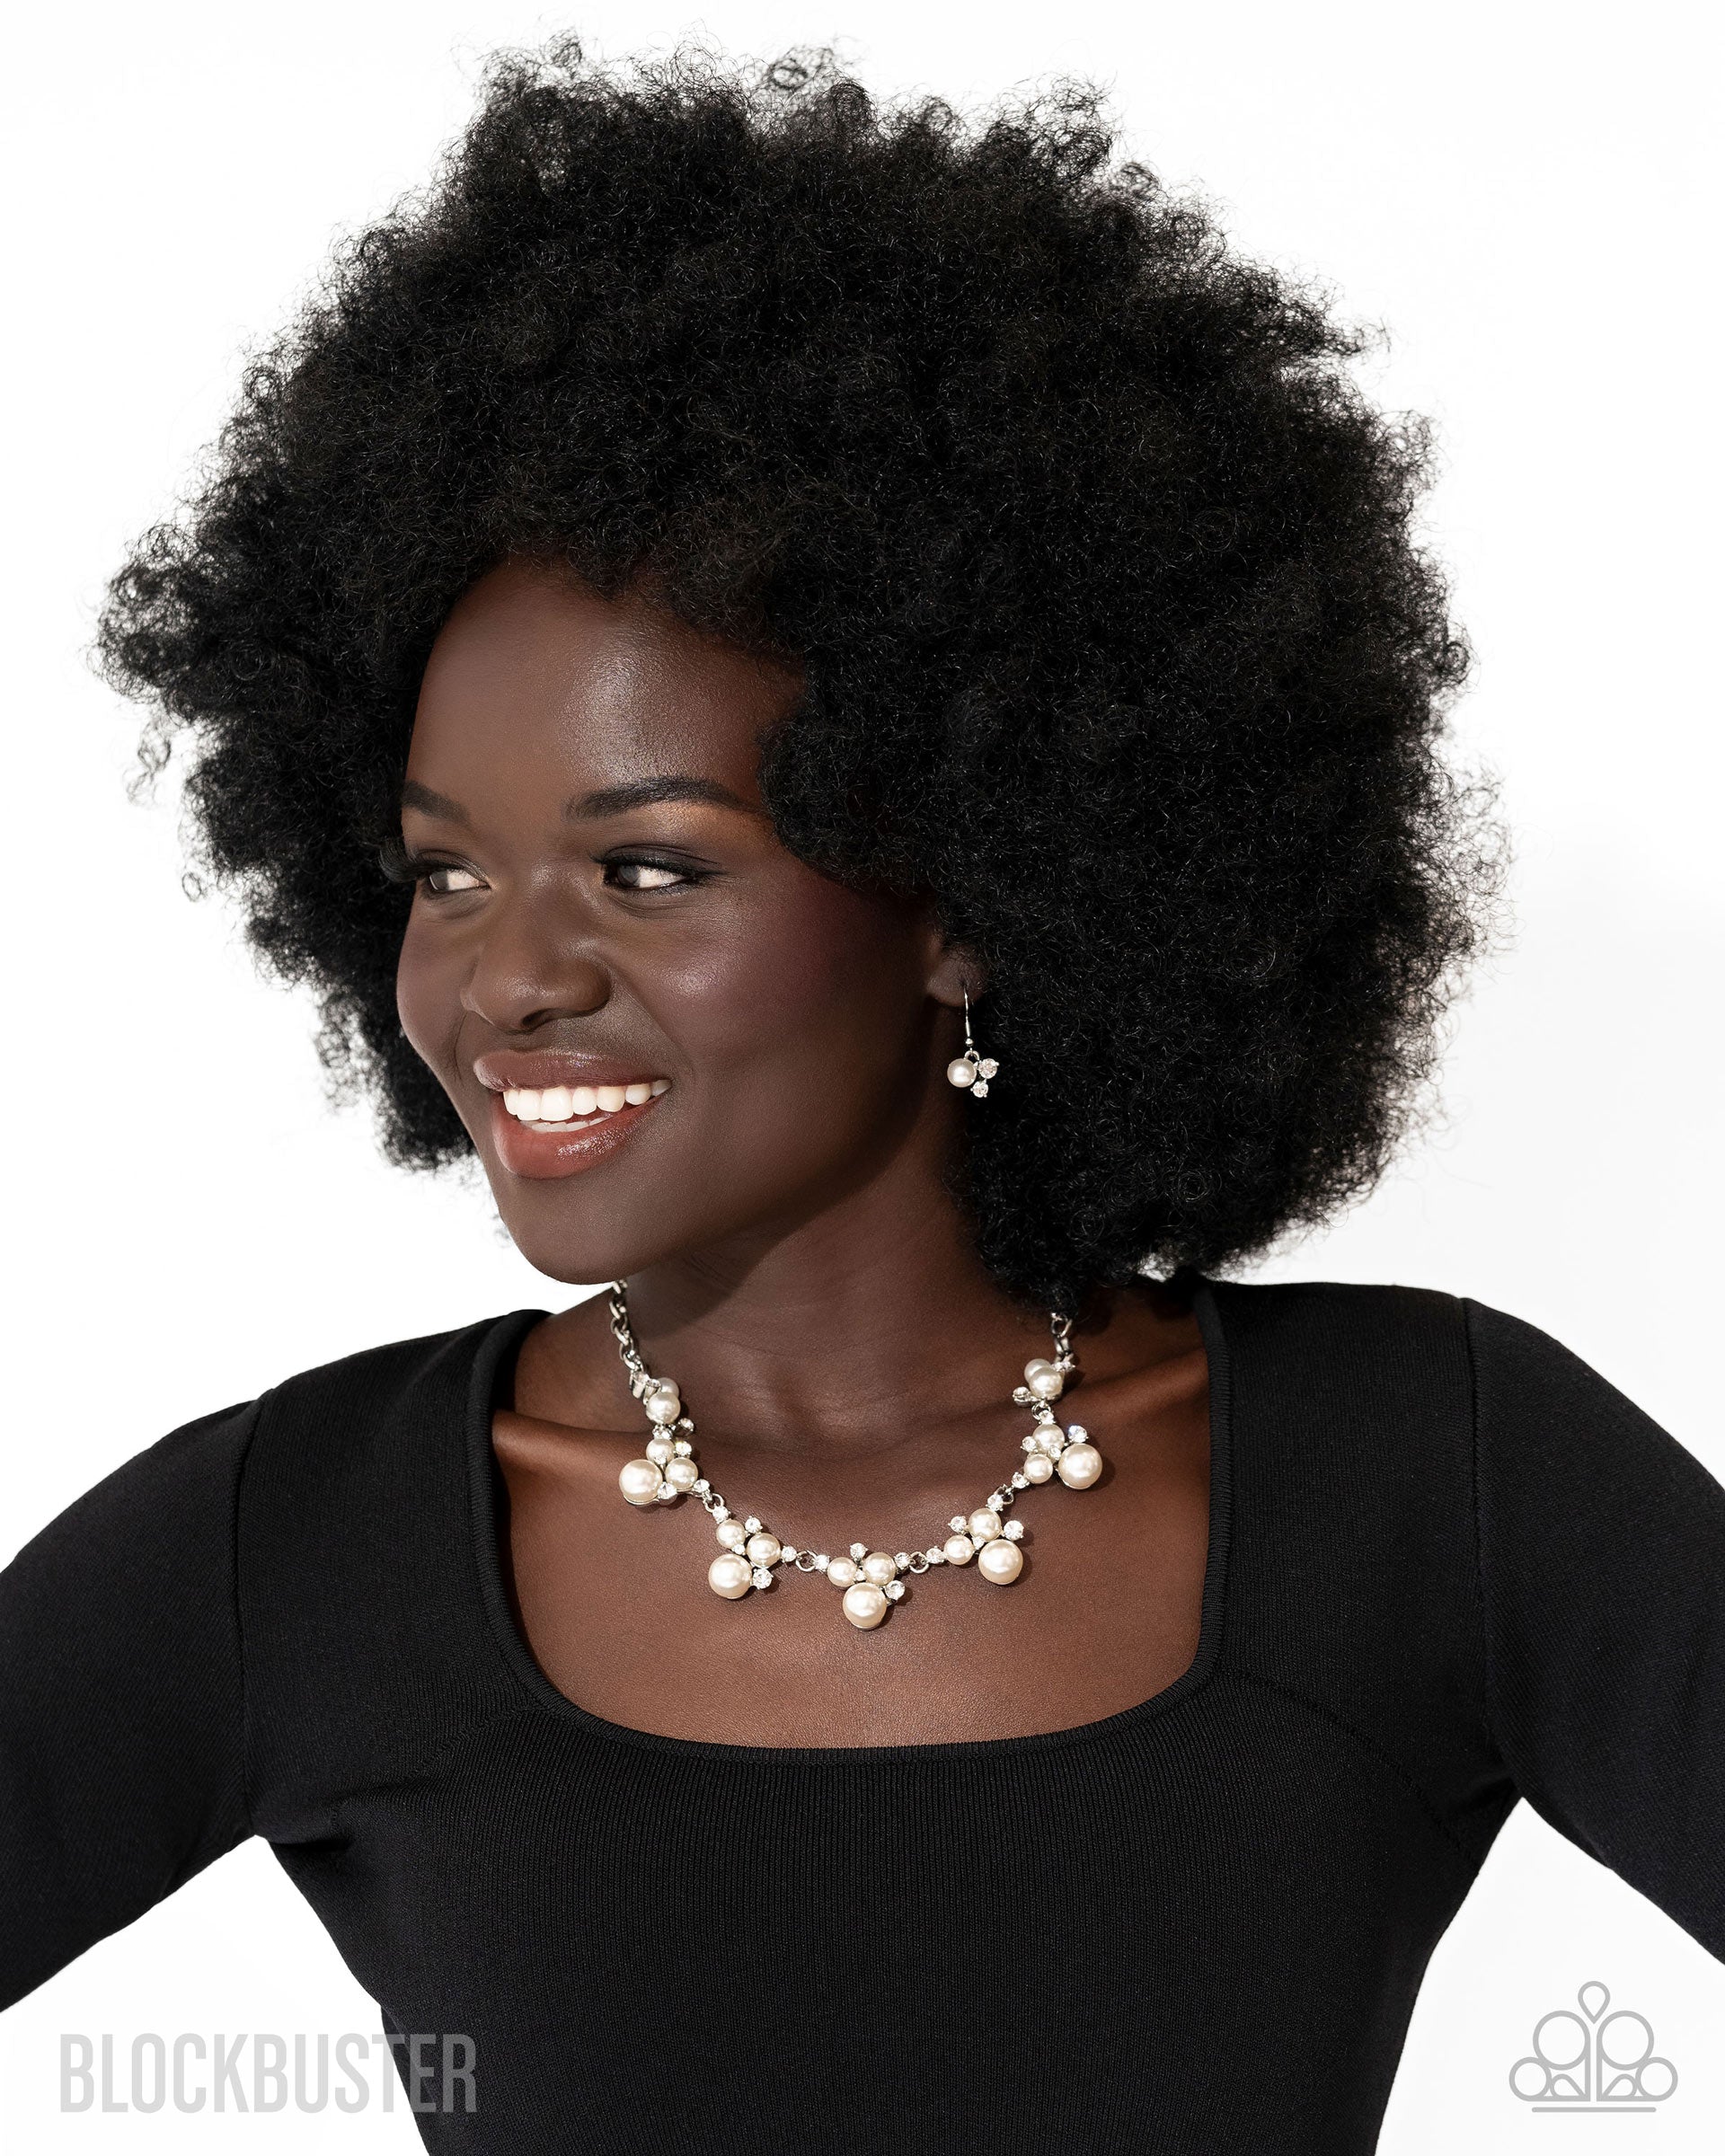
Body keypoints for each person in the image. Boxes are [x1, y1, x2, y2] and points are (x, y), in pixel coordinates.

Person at [2, 40, 1720, 2155]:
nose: (506, 978)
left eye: (650, 868)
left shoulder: (1435, 1482)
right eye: (445, 874)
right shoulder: (305, 1544)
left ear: (971, 899)